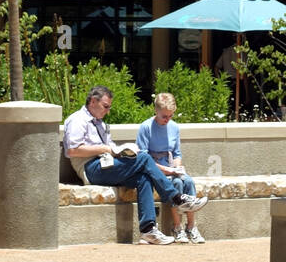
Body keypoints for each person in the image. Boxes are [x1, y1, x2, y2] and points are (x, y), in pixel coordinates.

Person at [64, 86, 206, 245]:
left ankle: (148, 230)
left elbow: (110, 148)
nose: (108, 111)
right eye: (106, 106)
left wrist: (120, 151)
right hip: (92, 169)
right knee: (144, 158)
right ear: (92, 101)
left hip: (108, 165)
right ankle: (177, 197)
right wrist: (106, 149)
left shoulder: (101, 124)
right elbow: (72, 150)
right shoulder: (77, 120)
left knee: (143, 177)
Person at [136, 93, 205, 244]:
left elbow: (176, 153)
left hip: (170, 165)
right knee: (177, 184)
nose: (167, 120)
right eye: (164, 116)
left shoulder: (174, 127)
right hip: (154, 169)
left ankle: (191, 227)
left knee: (188, 182)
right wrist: (168, 171)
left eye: (170, 116)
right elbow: (143, 159)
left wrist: (177, 167)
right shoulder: (146, 127)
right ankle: (177, 227)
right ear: (156, 111)